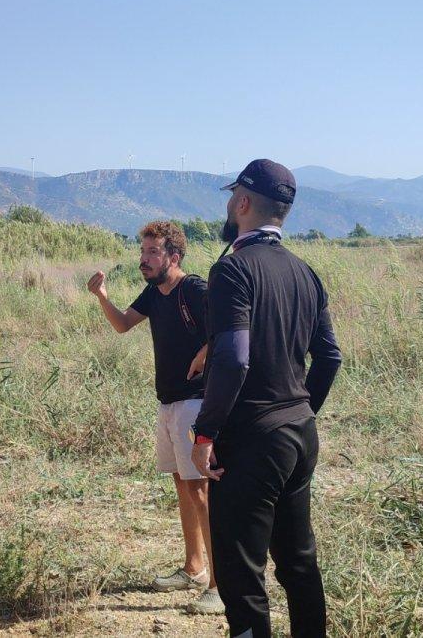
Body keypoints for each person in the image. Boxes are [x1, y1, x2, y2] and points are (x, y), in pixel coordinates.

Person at [191, 159, 342, 638]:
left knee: (240, 572)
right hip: (299, 434)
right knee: (298, 562)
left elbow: (234, 360)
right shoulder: (305, 273)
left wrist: (206, 432)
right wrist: (298, 411)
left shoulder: (232, 270)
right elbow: (330, 357)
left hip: (252, 440)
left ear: (242, 203)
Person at [87, 221, 223, 615]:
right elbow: (123, 324)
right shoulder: (154, 292)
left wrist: (204, 353)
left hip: (195, 404)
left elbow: (230, 329)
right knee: (183, 484)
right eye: (142, 252)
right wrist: (102, 296)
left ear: (173, 257)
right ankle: (194, 567)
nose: (143, 260)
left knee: (201, 492)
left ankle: (220, 584)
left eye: (151, 253)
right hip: (168, 403)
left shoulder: (194, 289)